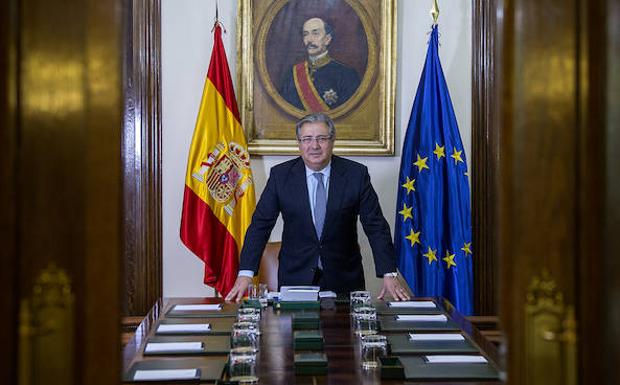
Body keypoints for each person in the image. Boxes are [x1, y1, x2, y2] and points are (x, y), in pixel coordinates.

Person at [226, 113, 410, 302]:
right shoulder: (280, 176)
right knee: (297, 331)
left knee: (346, 332)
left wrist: (389, 273)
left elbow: (376, 226)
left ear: (332, 141)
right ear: (299, 142)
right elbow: (260, 226)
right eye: (307, 139)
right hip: (295, 279)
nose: (314, 146)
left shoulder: (356, 175)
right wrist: (246, 273)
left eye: (321, 139)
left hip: (344, 281)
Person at [279, 17, 361, 111]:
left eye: (315, 33)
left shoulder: (346, 75)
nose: (309, 40)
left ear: (327, 39)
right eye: (306, 34)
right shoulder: (292, 74)